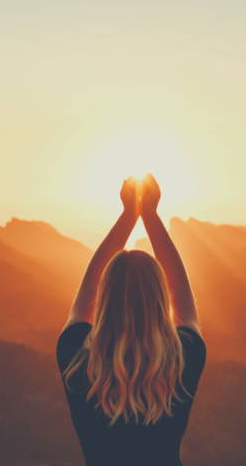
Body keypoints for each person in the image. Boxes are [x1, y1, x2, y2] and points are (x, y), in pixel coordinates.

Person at [57, 173, 206, 466]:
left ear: (104, 299)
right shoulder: (183, 360)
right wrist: (150, 216)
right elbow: (181, 290)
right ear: (159, 300)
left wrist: (128, 216)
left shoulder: (76, 359)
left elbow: (88, 285)